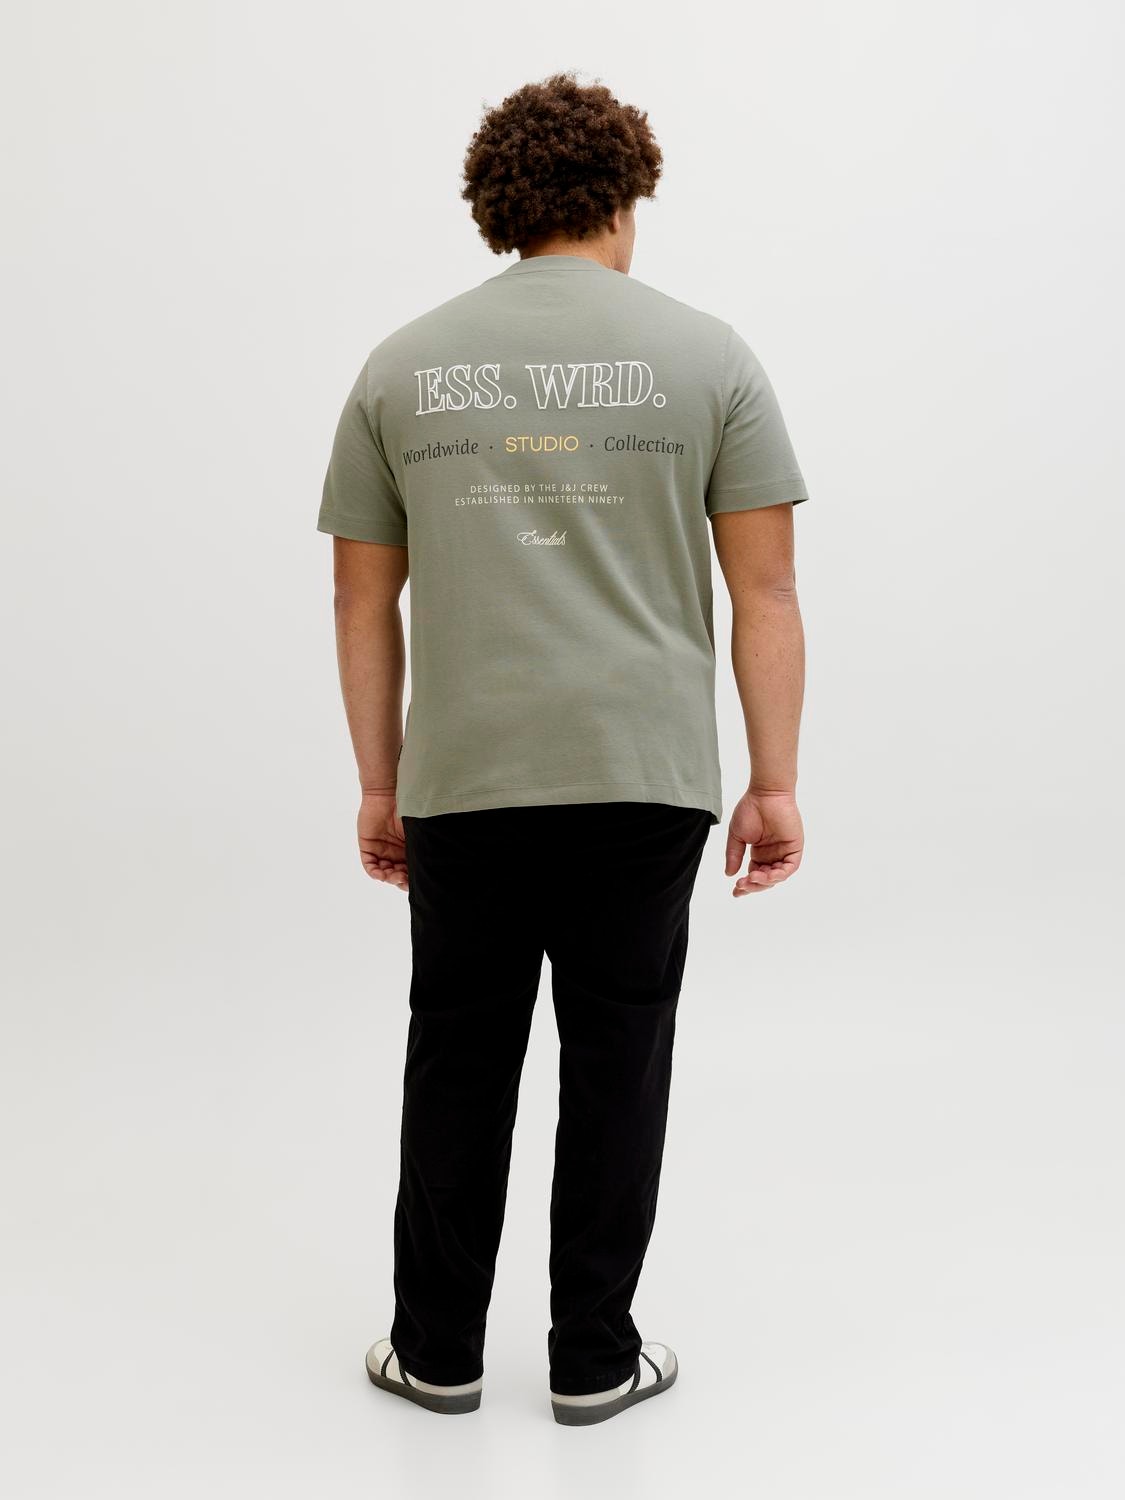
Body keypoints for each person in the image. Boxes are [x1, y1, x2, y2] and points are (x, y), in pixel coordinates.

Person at [318, 71, 808, 1426]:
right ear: (625, 196)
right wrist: (771, 779)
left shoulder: (402, 366)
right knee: (618, 1058)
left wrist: (380, 780)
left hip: (466, 773)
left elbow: (362, 600)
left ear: (496, 205)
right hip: (643, 772)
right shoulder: (710, 357)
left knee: (458, 1055)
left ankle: (437, 1353)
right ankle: (593, 1359)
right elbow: (765, 591)